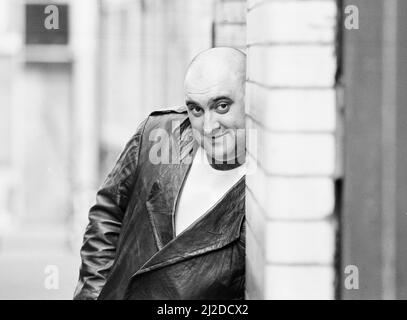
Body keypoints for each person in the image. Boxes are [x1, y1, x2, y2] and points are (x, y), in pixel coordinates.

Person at [73, 47, 247, 300]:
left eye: (221, 106)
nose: (208, 126)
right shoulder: (160, 134)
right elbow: (107, 215)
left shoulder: (264, 190)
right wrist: (93, 295)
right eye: (196, 109)